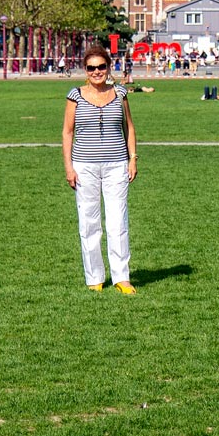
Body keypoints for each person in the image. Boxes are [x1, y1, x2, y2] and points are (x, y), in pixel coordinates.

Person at [62, 46, 138, 294]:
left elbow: (129, 128)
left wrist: (132, 159)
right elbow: (67, 133)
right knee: (89, 223)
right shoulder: (75, 95)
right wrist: (69, 167)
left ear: (108, 67)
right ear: (85, 70)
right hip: (85, 167)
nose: (97, 72)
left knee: (118, 222)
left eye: (101, 67)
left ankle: (121, 277)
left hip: (117, 165)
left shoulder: (120, 93)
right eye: (91, 68)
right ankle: (95, 277)